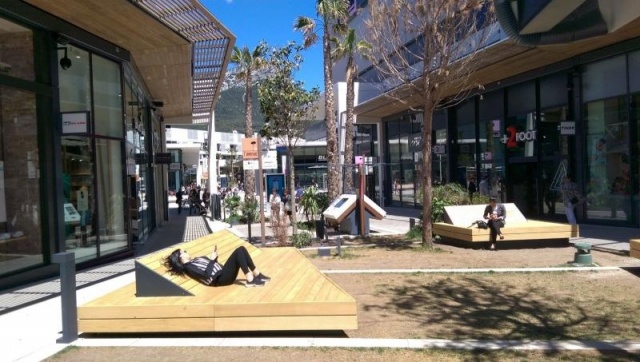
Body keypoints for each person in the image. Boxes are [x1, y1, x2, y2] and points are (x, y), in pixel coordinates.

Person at [163, 245, 270, 288]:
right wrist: (211, 259)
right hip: (221, 279)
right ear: (181, 258)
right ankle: (250, 280)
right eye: (184, 252)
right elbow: (206, 275)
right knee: (238, 252)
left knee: (241, 249)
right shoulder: (189, 268)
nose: (186, 251)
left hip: (222, 273)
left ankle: (257, 274)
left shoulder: (193, 261)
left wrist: (214, 259)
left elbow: (210, 267)